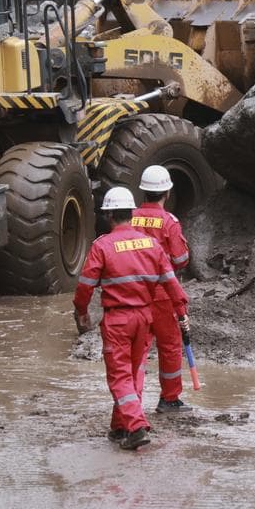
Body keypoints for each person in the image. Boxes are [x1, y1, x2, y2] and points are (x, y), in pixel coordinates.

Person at [74, 186, 190, 451]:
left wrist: (81, 312)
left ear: (109, 216)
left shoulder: (102, 246)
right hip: (144, 318)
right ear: (130, 212)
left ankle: (136, 426)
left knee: (119, 377)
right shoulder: (151, 245)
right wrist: (181, 312)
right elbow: (172, 284)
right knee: (133, 373)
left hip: (118, 320)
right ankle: (120, 427)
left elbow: (84, 287)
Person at [131, 165, 193, 413]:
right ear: (167, 192)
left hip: (134, 293)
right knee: (170, 346)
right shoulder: (169, 222)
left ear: (143, 191)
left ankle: (131, 401)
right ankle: (169, 399)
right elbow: (180, 260)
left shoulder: (130, 217)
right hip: (164, 294)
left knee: (137, 349)